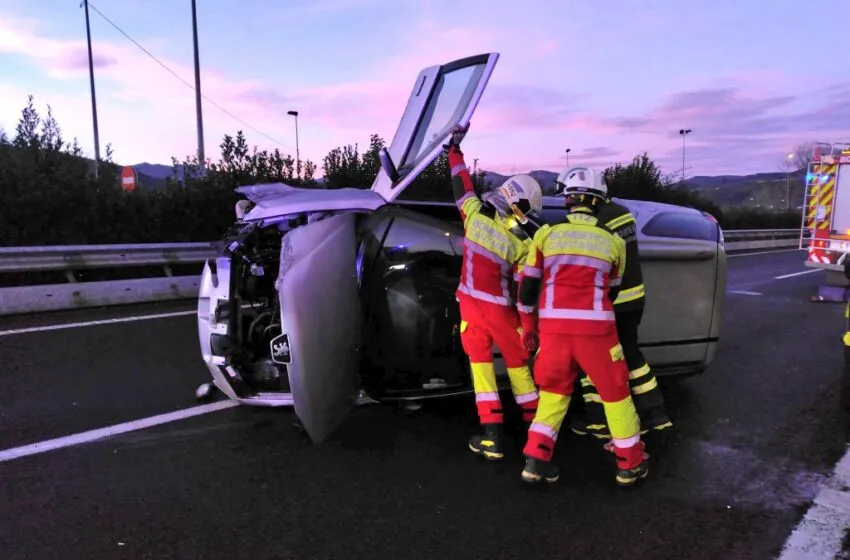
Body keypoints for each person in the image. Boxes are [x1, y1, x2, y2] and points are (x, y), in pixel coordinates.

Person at [516, 166, 649, 486]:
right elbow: (613, 290)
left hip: (553, 333)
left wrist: (529, 329)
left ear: (566, 200)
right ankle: (629, 465)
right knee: (616, 395)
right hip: (597, 335)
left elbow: (527, 290)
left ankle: (535, 462)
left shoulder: (546, 235)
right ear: (599, 201)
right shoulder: (612, 241)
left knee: (553, 394)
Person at [550, 170, 672, 445]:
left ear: (583, 195)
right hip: (632, 299)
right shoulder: (621, 212)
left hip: (609, 303)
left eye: (570, 197)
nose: (568, 203)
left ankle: (598, 419)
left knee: (595, 363)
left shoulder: (597, 221)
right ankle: (655, 414)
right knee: (631, 356)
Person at [445, 123, 544, 461]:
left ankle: (492, 439)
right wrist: (529, 328)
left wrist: (454, 151)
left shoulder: (474, 215)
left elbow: (461, 183)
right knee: (519, 368)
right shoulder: (523, 241)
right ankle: (536, 436)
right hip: (503, 312)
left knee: (482, 371)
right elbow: (525, 289)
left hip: (471, 311)